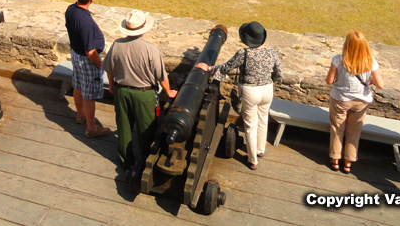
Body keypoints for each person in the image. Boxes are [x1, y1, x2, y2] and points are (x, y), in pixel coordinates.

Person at [196, 21, 282, 170]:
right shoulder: (271, 52)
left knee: (250, 125)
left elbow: (225, 67)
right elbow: (279, 74)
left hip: (250, 91)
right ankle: (260, 150)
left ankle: (253, 159)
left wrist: (209, 67)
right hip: (267, 89)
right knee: (263, 120)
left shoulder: (244, 53)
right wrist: (269, 82)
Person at [103, 10, 177, 176]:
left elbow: (110, 69)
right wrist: (169, 91)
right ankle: (145, 162)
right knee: (146, 130)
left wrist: (112, 85)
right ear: (143, 29)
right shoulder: (151, 49)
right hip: (144, 94)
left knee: (123, 127)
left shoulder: (116, 45)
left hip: (122, 91)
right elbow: (161, 76)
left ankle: (126, 161)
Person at [325, 30, 384, 173]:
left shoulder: (338, 59)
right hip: (361, 101)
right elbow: (380, 84)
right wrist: (369, 80)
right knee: (354, 132)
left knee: (337, 129)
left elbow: (329, 81)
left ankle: (335, 159)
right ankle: (348, 162)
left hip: (340, 98)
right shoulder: (370, 61)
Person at [64, 0, 111, 138]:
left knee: (77, 85)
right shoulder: (86, 22)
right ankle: (91, 128)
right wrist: (100, 64)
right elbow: (90, 51)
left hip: (76, 55)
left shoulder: (71, 9)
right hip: (87, 60)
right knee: (89, 94)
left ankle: (80, 115)